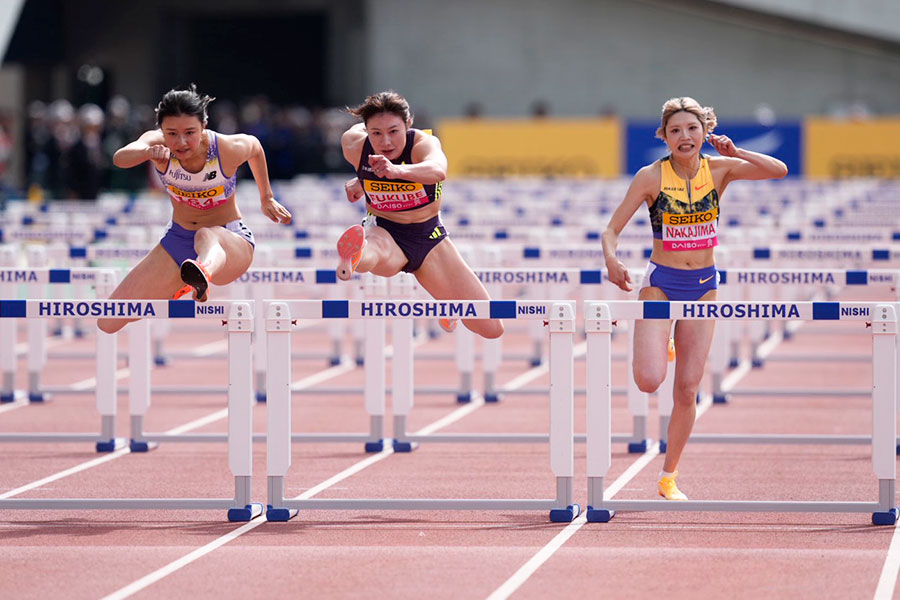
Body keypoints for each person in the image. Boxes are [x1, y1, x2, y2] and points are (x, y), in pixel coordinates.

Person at [602, 97, 788, 500]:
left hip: (704, 286)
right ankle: (662, 336)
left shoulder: (720, 170)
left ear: (705, 132)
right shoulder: (650, 177)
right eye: (675, 131)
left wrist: (736, 152)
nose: (684, 137)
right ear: (664, 137)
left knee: (687, 390)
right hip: (661, 283)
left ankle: (668, 476)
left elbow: (779, 170)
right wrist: (612, 260)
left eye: (692, 129)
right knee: (649, 380)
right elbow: (610, 230)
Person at [97, 84, 292, 333]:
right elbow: (120, 158)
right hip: (179, 240)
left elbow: (254, 146)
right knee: (109, 320)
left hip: (229, 242)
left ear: (204, 126)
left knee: (205, 235)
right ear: (161, 131)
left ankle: (201, 274)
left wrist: (267, 197)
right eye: (172, 133)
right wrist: (148, 152)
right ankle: (188, 280)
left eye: (190, 132)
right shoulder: (157, 144)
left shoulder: (224, 149)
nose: (181, 142)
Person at [335, 90, 502, 339]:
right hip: (386, 230)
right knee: (376, 253)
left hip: (429, 237)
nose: (386, 142)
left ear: (408, 124)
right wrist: (362, 177)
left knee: (491, 328)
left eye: (394, 131)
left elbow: (437, 170)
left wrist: (395, 172)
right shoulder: (354, 145)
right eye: (376, 133)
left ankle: (445, 300)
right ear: (366, 130)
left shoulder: (423, 143)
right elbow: (364, 148)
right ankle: (353, 256)